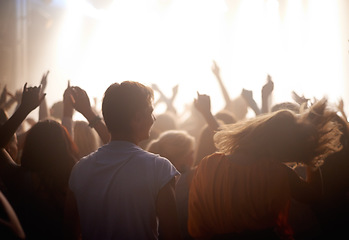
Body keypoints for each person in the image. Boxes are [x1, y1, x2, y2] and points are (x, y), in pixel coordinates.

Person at [188, 98, 342, 240]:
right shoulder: (276, 172)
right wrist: (310, 155)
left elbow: (196, 224)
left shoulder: (209, 164)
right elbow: (313, 194)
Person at [69, 81, 182, 240]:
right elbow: (173, 236)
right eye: (150, 112)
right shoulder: (159, 169)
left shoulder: (80, 170)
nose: (154, 118)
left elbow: (69, 232)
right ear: (137, 119)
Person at [0, 83, 80, 240]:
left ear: (30, 146)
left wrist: (24, 109)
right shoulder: (75, 183)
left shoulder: (19, 179)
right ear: (63, 149)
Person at [147, 129, 195, 240]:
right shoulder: (187, 181)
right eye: (191, 152)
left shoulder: (149, 177)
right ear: (183, 156)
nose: (194, 157)